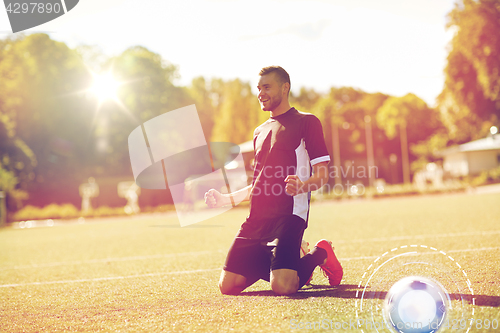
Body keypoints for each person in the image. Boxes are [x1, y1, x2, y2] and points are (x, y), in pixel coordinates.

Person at [204, 66, 343, 295]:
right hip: (256, 219)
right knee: (228, 286)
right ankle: (289, 263)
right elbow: (258, 183)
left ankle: (320, 253)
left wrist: (302, 185)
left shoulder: (307, 122)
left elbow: (322, 175)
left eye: (267, 87)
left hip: (288, 217)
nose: (261, 93)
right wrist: (225, 199)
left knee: (283, 286)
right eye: (258, 88)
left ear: (285, 88)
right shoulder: (259, 131)